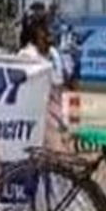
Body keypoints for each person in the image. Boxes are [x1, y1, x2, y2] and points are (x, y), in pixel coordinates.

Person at [18, 11, 70, 151]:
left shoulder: (54, 54)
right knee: (58, 155)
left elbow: (62, 87)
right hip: (39, 118)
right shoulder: (27, 56)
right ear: (35, 31)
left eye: (51, 27)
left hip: (58, 116)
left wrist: (67, 120)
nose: (50, 32)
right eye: (45, 28)